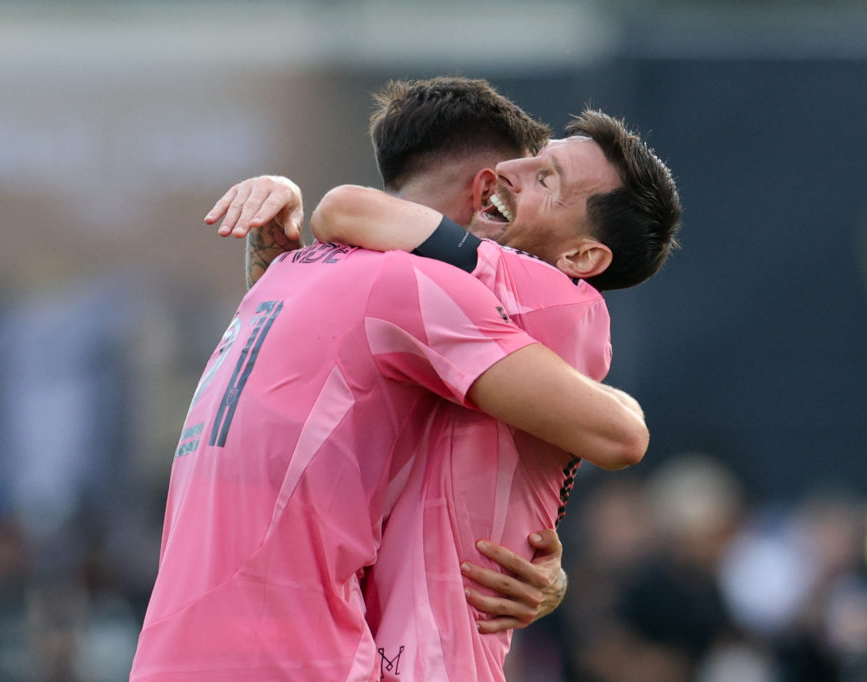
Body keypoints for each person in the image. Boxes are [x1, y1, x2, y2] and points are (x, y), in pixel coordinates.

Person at [130, 115, 651, 680]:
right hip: (302, 656)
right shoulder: (426, 291)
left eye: (544, 177)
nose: (512, 174)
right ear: (481, 189)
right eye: (525, 162)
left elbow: (340, 216)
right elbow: (619, 433)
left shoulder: (293, 278)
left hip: (177, 652)